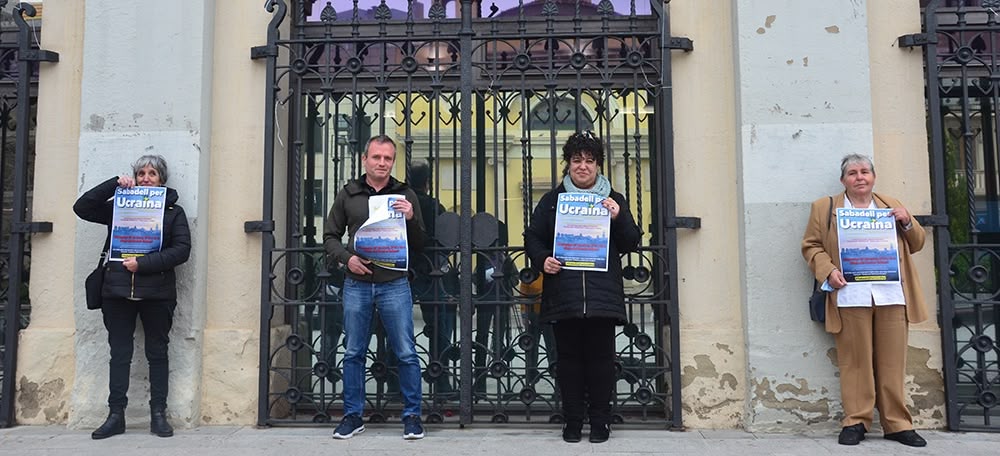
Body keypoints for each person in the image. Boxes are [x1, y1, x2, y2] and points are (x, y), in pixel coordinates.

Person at [801, 153, 929, 447]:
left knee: (893, 362)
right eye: (852, 173)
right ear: (843, 180)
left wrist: (908, 221)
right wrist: (828, 270)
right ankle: (856, 421)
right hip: (850, 295)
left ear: (873, 176)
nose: (859, 177)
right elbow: (811, 246)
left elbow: (918, 243)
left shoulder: (890, 204)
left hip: (891, 295)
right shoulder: (826, 207)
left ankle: (897, 424)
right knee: (855, 362)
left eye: (864, 172)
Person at [523, 131, 641, 443]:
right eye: (577, 160)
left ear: (598, 165)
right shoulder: (552, 201)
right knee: (569, 363)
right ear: (568, 165)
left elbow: (631, 241)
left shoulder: (613, 200)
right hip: (565, 295)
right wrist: (543, 259)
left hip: (602, 297)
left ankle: (601, 422)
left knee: (602, 363)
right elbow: (532, 237)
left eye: (590, 161)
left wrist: (618, 217)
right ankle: (573, 422)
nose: (583, 166)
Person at [73, 155, 191, 439]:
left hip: (157, 293)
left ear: (162, 179)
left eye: (152, 173)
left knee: (157, 353)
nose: (146, 178)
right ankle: (116, 415)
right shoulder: (118, 206)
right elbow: (83, 207)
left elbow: (182, 250)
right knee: (120, 354)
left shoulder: (173, 211)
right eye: (141, 173)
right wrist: (114, 185)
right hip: (116, 291)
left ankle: (158, 415)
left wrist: (144, 264)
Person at [323, 135, 427, 440]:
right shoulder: (349, 194)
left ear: (393, 161)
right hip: (357, 283)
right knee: (354, 351)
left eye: (388, 159)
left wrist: (409, 217)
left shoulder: (405, 194)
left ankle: (412, 416)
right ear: (365, 159)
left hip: (394, 283)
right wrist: (347, 259)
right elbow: (329, 236)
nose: (382, 163)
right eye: (377, 157)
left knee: (406, 351)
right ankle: (352, 416)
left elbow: (420, 242)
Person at [408, 160, 458, 396]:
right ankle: (441, 380)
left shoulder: (403, 204)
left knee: (398, 326)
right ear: (428, 182)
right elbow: (447, 239)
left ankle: (393, 381)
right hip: (431, 272)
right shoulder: (434, 206)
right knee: (440, 328)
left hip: (406, 270)